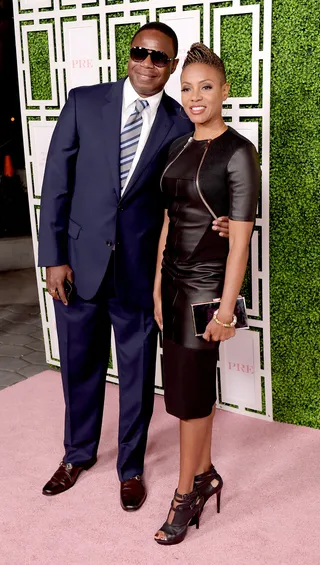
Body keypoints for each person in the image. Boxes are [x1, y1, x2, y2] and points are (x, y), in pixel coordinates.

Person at [38, 23, 230, 510]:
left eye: (160, 58)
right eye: (140, 52)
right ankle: (76, 455)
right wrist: (53, 257)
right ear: (129, 55)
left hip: (142, 275)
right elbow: (56, 183)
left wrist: (224, 217)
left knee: (137, 373)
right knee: (78, 366)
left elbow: (193, 184)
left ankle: (130, 467)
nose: (148, 63)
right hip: (78, 266)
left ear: (170, 68)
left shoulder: (179, 122)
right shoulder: (84, 102)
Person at [153, 43, 260, 544]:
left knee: (191, 400)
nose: (196, 97)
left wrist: (224, 310)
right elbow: (169, 219)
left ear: (225, 91)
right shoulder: (176, 146)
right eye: (188, 87)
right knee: (183, 392)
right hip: (171, 284)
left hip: (206, 291)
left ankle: (184, 493)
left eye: (207, 87)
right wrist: (157, 284)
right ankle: (206, 473)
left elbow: (240, 244)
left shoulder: (239, 151)